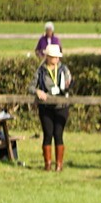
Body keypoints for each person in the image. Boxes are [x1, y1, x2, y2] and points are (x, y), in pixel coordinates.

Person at [30, 43, 72, 171]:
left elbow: (70, 83)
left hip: (61, 106)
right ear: (47, 57)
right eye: (53, 57)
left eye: (57, 57)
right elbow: (31, 86)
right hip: (46, 107)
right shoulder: (41, 71)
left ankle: (59, 164)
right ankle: (47, 164)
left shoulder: (64, 69)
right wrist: (37, 92)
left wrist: (67, 85)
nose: (56, 59)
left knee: (58, 134)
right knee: (48, 134)